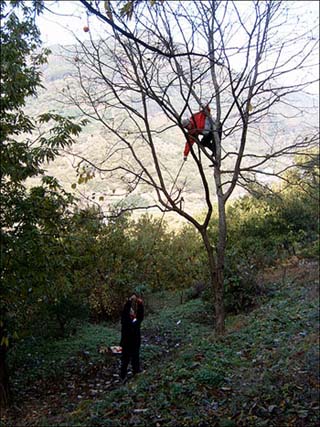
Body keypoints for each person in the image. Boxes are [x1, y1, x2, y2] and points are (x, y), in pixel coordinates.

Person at [120, 293, 144, 381]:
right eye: (130, 310)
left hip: (135, 343)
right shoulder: (125, 320)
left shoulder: (136, 320)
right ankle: (122, 376)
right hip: (126, 344)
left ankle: (136, 374)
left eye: (132, 310)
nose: (131, 311)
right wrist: (130, 301)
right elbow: (125, 312)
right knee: (125, 361)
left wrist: (140, 304)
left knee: (135, 360)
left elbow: (140, 315)